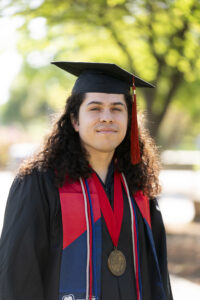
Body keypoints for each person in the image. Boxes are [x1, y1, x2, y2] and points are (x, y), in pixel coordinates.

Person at [0, 61, 173, 300]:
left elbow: (158, 277)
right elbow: (17, 278)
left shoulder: (138, 187)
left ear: (129, 119)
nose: (107, 117)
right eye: (95, 108)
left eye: (117, 108)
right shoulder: (38, 183)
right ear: (75, 120)